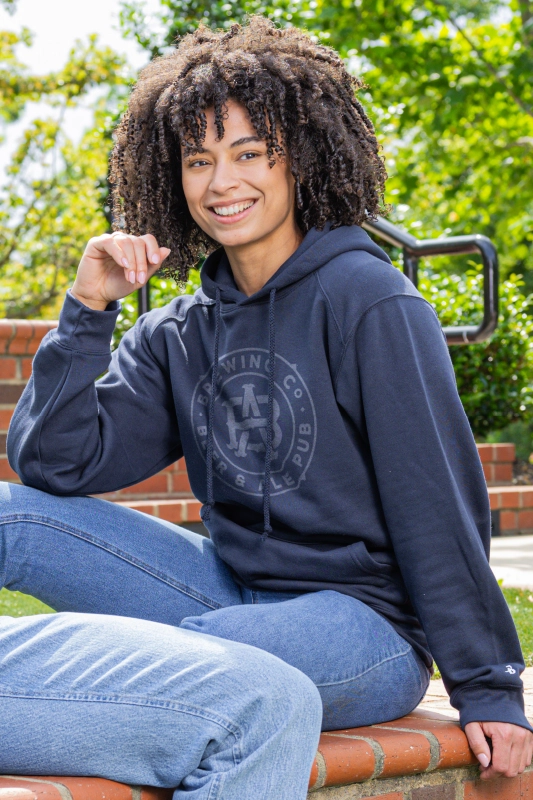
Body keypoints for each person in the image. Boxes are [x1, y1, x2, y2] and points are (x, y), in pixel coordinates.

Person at [1, 16, 532, 798]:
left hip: (364, 627)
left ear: (301, 161)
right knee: (13, 515)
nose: (223, 184)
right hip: (226, 582)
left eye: (251, 153)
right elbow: (56, 464)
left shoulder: (370, 301)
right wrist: (86, 310)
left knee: (192, 661)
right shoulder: (178, 332)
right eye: (199, 160)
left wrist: (487, 685)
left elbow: (435, 503)